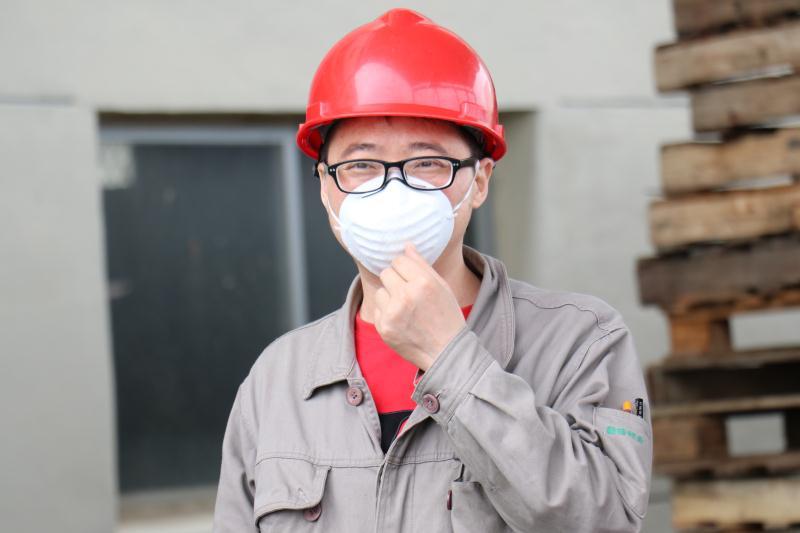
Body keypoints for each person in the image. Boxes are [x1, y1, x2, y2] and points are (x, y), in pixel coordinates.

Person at [213, 8, 652, 533]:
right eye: (360, 164)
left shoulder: (579, 343)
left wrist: (452, 357)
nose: (393, 190)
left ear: (480, 181)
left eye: (427, 163)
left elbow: (606, 520)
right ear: (326, 185)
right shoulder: (277, 378)